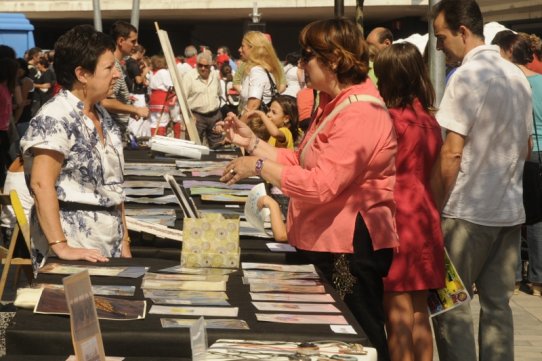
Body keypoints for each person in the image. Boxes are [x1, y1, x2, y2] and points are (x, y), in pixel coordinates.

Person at [220, 18, 398, 361]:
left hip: (347, 248)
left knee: (358, 341)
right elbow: (303, 160)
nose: (301, 65)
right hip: (328, 241)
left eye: (307, 57)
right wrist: (253, 143)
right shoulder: (335, 102)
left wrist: (257, 166)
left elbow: (321, 185)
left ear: (332, 60)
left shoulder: (360, 111)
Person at [430, 1, 533, 361]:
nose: (440, 47)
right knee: (497, 308)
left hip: (466, 212)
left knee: (451, 308)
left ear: (462, 31)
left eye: (441, 38)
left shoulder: (467, 77)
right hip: (507, 211)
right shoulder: (516, 74)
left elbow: (451, 152)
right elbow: (527, 146)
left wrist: (434, 205)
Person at [20, 24, 132, 272]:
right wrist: (61, 246)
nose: (116, 74)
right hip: (75, 243)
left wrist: (124, 240)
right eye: (109, 67)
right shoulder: (55, 116)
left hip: (108, 241)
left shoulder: (101, 114)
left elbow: (113, 185)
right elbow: (41, 184)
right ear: (82, 74)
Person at [374, 42, 444, 361]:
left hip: (396, 219)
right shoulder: (430, 120)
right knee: (419, 313)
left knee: (397, 316)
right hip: (425, 217)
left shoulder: (389, 119)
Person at [492, 30, 542, 297]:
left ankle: (510, 275)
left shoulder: (508, 83)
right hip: (539, 157)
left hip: (516, 153)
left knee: (512, 215)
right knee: (537, 219)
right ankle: (537, 280)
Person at [101, 21, 149, 143]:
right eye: (133, 41)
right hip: (111, 133)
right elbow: (105, 101)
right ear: (121, 41)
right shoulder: (113, 66)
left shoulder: (118, 65)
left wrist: (127, 107)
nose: (136, 45)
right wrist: (134, 109)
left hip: (115, 132)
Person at [237, 31, 284, 122]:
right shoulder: (264, 69)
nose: (239, 49)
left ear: (252, 48)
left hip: (254, 127)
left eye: (242, 46)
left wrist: (238, 127)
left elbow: (253, 105)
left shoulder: (257, 71)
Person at [181, 52, 223, 148]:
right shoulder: (189, 77)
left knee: (218, 146)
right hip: (196, 116)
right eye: (200, 65)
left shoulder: (215, 75)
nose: (203, 68)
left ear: (210, 66)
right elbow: (182, 100)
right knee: (193, 147)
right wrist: (188, 117)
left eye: (206, 66)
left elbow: (219, 94)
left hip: (215, 116)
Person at [148, 55, 179, 138]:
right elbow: (171, 85)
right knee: (162, 122)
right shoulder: (163, 72)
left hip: (153, 99)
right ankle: (160, 140)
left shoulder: (152, 73)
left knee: (154, 122)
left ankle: (154, 139)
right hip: (162, 99)